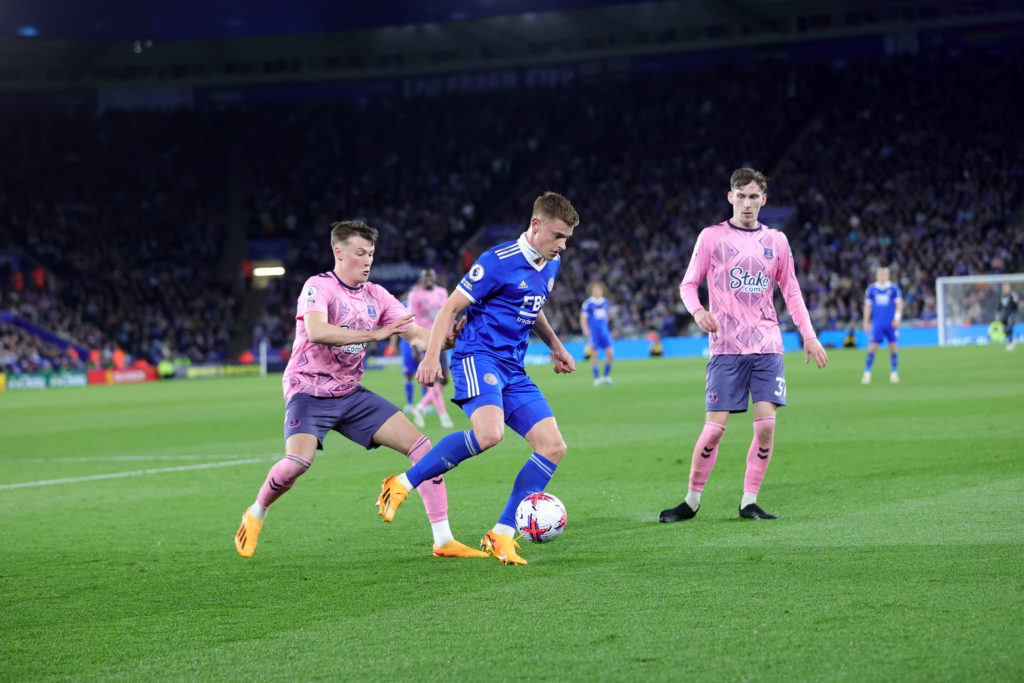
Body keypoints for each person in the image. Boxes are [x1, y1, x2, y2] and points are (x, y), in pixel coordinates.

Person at [234, 220, 487, 559]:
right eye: (360, 253)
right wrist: (375, 335)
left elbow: (414, 334)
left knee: (423, 449)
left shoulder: (377, 295)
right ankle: (256, 512)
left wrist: (447, 340)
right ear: (338, 253)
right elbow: (317, 331)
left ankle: (443, 541)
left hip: (351, 393)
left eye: (370, 254)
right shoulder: (318, 287)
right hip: (308, 390)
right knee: (298, 461)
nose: (367, 260)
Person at [376, 192, 580, 565]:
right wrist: (432, 355)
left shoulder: (549, 264)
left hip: (513, 368)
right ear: (536, 226)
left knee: (553, 446)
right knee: (490, 434)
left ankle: (501, 533)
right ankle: (403, 482)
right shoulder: (497, 261)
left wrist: (555, 345)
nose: (563, 246)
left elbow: (532, 309)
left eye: (567, 238)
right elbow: (450, 308)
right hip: (477, 356)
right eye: (558, 236)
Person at [659, 168, 828, 523]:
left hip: (768, 343)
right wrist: (698, 311)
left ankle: (749, 501)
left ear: (763, 199)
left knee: (766, 426)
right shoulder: (712, 237)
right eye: (741, 195)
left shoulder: (777, 241)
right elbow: (688, 285)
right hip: (726, 346)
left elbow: (792, 291)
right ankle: (691, 501)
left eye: (754, 196)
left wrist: (808, 335)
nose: (747, 203)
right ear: (730, 197)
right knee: (714, 428)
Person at [407, 268, 456, 428]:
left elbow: (448, 313)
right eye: (425, 276)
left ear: (435, 278)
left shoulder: (442, 292)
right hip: (424, 339)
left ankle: (421, 407)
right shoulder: (415, 295)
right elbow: (410, 320)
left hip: (441, 338)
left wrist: (450, 334)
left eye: (431, 276)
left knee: (444, 379)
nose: (428, 279)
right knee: (433, 378)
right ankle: (444, 417)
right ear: (421, 278)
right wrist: (413, 345)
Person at [861, 266, 902, 384]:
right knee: (872, 348)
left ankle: (894, 372)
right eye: (880, 274)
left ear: (888, 275)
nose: (883, 276)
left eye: (885, 274)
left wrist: (897, 318)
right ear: (877, 275)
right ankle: (867, 373)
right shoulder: (872, 289)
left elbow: (899, 304)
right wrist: (865, 321)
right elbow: (867, 306)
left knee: (893, 348)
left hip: (890, 324)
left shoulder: (894, 288)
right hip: (877, 324)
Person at [580, 281, 615, 386]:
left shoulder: (606, 303)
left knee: (610, 353)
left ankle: (606, 376)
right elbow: (583, 318)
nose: (597, 291)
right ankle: (596, 378)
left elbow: (607, 317)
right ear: (591, 291)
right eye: (595, 289)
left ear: (602, 291)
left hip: (605, 333)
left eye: (599, 289)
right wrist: (585, 329)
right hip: (594, 333)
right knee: (594, 354)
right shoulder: (588, 303)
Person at [998, 282, 1018, 351]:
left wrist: (1013, 313)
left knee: (1010, 328)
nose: (1004, 288)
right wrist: (998, 313)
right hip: (1003, 316)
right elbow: (999, 306)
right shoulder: (1002, 296)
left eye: (1006, 287)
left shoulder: (1012, 295)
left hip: (1010, 315)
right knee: (1004, 329)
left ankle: (1012, 342)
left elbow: (1015, 305)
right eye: (1003, 287)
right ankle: (1012, 341)